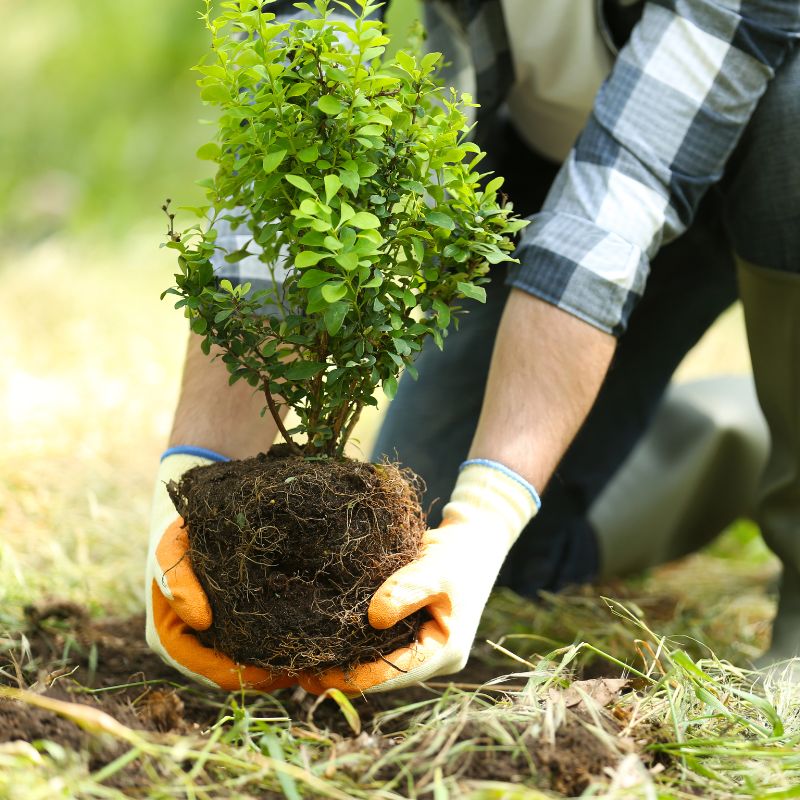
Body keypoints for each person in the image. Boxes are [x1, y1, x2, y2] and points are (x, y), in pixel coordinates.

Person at [146, 0, 800, 693]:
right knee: (445, 552)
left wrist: (485, 516)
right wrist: (191, 481)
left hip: (749, 168)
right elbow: (295, 81)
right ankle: (742, 433)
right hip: (549, 168)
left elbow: (624, 188)